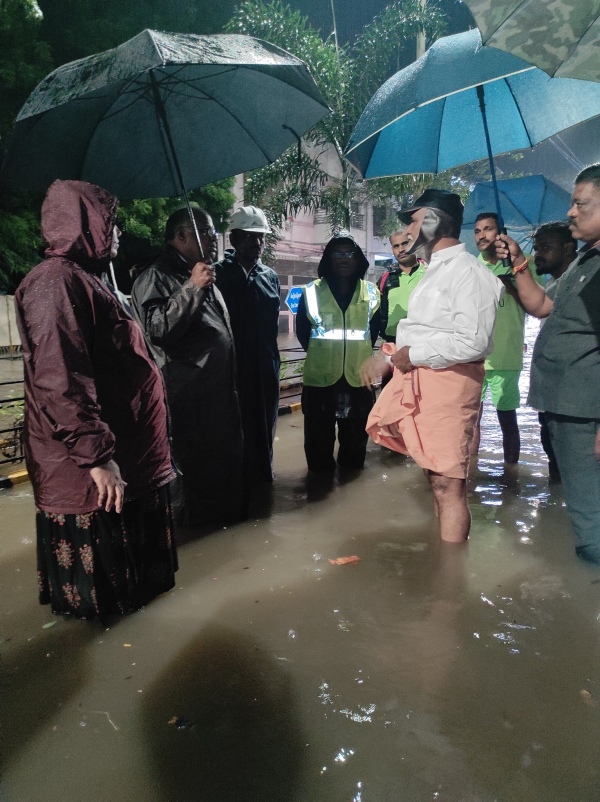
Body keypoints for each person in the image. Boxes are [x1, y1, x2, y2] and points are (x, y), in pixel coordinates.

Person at [14, 180, 178, 619]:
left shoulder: (90, 280)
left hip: (127, 452)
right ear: (83, 222)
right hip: (92, 466)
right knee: (106, 601)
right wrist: (97, 456)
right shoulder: (56, 283)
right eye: (110, 221)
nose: (117, 231)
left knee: (137, 595)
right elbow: (60, 379)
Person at [363, 189, 503, 543]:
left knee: (448, 483)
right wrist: (391, 359)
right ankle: (443, 560)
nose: (407, 230)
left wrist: (412, 355)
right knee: (435, 479)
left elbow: (474, 341)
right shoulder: (434, 269)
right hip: (424, 380)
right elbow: (425, 330)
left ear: (435, 221)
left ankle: (450, 575)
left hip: (448, 385)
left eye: (413, 221)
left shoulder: (468, 272)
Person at [495, 165, 600, 563]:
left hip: (586, 412)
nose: (571, 212)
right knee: (582, 505)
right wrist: (519, 262)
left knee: (591, 516)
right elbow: (541, 304)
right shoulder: (585, 261)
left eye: (580, 204)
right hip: (564, 407)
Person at [131, 206, 244, 526]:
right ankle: (193, 534)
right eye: (206, 232)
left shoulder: (199, 271)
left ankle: (220, 530)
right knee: (191, 479)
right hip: (187, 398)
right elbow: (157, 329)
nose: (213, 238)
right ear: (181, 236)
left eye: (213, 232)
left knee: (217, 473)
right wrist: (192, 288)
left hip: (215, 395)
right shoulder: (157, 275)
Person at [296, 232, 380, 472]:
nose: (344, 258)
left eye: (349, 253)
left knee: (355, 447)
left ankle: (348, 487)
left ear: (358, 258)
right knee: (318, 447)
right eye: (337, 253)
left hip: (358, 380)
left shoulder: (372, 293)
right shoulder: (311, 292)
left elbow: (372, 333)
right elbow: (303, 333)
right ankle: (320, 486)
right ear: (328, 258)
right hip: (320, 380)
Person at [214, 206, 281, 483]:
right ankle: (235, 483)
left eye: (261, 236)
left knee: (265, 424)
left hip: (265, 366)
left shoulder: (270, 277)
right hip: (230, 368)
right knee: (232, 426)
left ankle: (263, 481)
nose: (257, 242)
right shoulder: (216, 276)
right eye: (250, 236)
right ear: (234, 239)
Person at [471, 212, 536, 464]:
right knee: (471, 420)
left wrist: (511, 284)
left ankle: (511, 476)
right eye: (477, 230)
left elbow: (536, 306)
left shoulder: (521, 264)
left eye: (487, 229)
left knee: (508, 420)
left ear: (500, 233)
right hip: (474, 356)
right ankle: (471, 473)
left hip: (506, 356)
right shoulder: (471, 268)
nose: (481, 235)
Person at [532, 221, 578, 480]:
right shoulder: (553, 284)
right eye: (537, 248)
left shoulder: (581, 281)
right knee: (555, 459)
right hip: (551, 393)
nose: (538, 254)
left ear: (568, 249)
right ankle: (555, 502)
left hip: (573, 398)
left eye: (546, 247)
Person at [379, 228, 426, 342]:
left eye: (405, 243)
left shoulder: (430, 272)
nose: (401, 250)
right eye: (396, 246)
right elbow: (380, 315)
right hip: (394, 342)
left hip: (425, 341)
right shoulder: (386, 278)